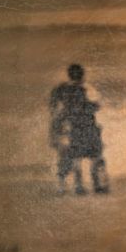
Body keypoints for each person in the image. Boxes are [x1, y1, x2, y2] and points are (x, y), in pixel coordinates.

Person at [49, 64, 109, 195]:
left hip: (73, 127)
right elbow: (96, 106)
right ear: (82, 74)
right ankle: (97, 185)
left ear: (69, 74)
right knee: (95, 156)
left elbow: (54, 107)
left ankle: (78, 186)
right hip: (88, 126)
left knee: (76, 157)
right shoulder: (86, 88)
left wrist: (58, 128)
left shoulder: (62, 89)